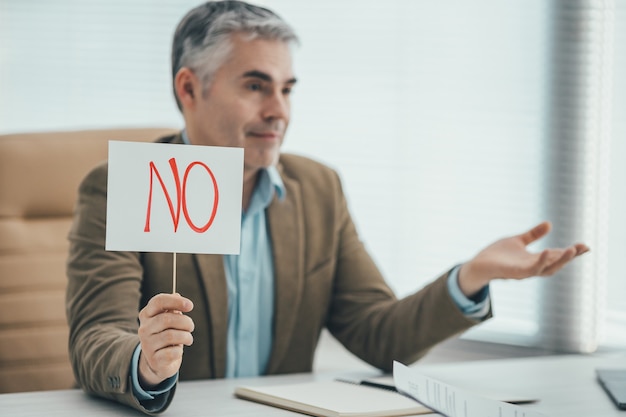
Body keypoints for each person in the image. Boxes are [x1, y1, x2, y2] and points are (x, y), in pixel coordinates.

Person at [65, 1, 589, 414]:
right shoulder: (121, 187)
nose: (279, 112)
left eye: (287, 89)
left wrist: (470, 277)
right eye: (255, 86)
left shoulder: (317, 187)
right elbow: (95, 338)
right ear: (189, 87)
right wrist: (145, 363)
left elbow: (377, 334)